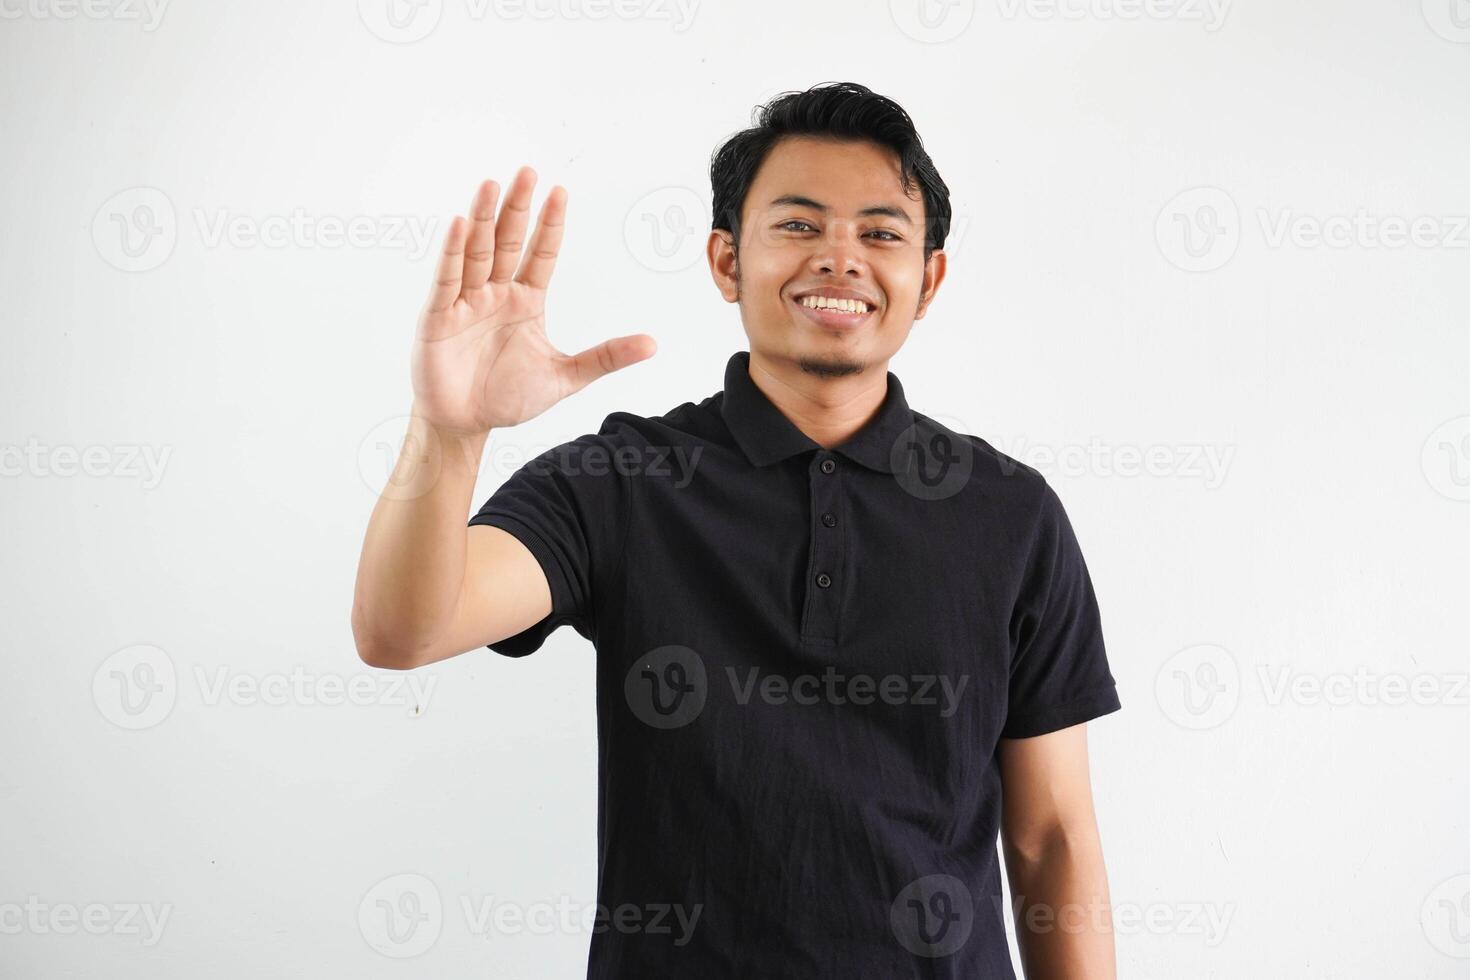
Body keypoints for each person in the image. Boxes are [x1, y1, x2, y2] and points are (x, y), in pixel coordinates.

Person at [352, 81, 1122, 978]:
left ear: (930, 278)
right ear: (726, 260)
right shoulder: (624, 480)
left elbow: (1052, 841)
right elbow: (404, 631)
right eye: (799, 226)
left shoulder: (1010, 513)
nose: (841, 259)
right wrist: (450, 434)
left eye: (881, 233)